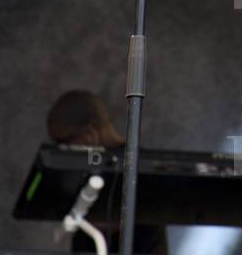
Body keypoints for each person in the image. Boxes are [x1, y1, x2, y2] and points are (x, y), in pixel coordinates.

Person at [46, 90, 167, 255]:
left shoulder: (134, 164)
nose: (63, 151)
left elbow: (112, 222)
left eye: (65, 143)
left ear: (90, 134)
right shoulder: (92, 167)